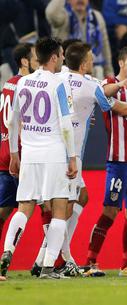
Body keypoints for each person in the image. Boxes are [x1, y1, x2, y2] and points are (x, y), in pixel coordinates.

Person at [31, 42, 127, 277]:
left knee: (75, 200)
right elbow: (114, 105)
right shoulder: (96, 84)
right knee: (62, 206)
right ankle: (55, 260)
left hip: (54, 149)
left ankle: (54, 258)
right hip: (83, 156)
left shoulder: (63, 78)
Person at [0, 37, 77, 280]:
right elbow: (66, 125)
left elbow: (12, 122)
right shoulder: (59, 84)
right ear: (54, 57)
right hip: (54, 153)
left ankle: (7, 252)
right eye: (61, 54)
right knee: (59, 209)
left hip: (29, 153)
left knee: (24, 207)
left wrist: (14, 153)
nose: (63, 58)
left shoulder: (22, 82)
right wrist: (72, 157)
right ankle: (47, 267)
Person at [85, 46, 127, 277]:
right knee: (110, 211)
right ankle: (90, 261)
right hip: (120, 160)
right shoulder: (111, 83)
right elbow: (103, 93)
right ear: (121, 62)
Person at [0, 43, 39, 254]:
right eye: (35, 57)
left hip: (5, 153)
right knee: (51, 205)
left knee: (4, 211)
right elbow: (20, 122)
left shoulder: (9, 83)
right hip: (22, 155)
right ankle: (49, 263)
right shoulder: (26, 85)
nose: (39, 61)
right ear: (25, 61)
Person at [46, 0, 114, 79]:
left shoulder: (96, 16)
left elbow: (104, 46)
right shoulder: (63, 15)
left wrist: (109, 72)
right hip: (67, 71)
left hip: (94, 71)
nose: (80, 0)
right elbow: (51, 13)